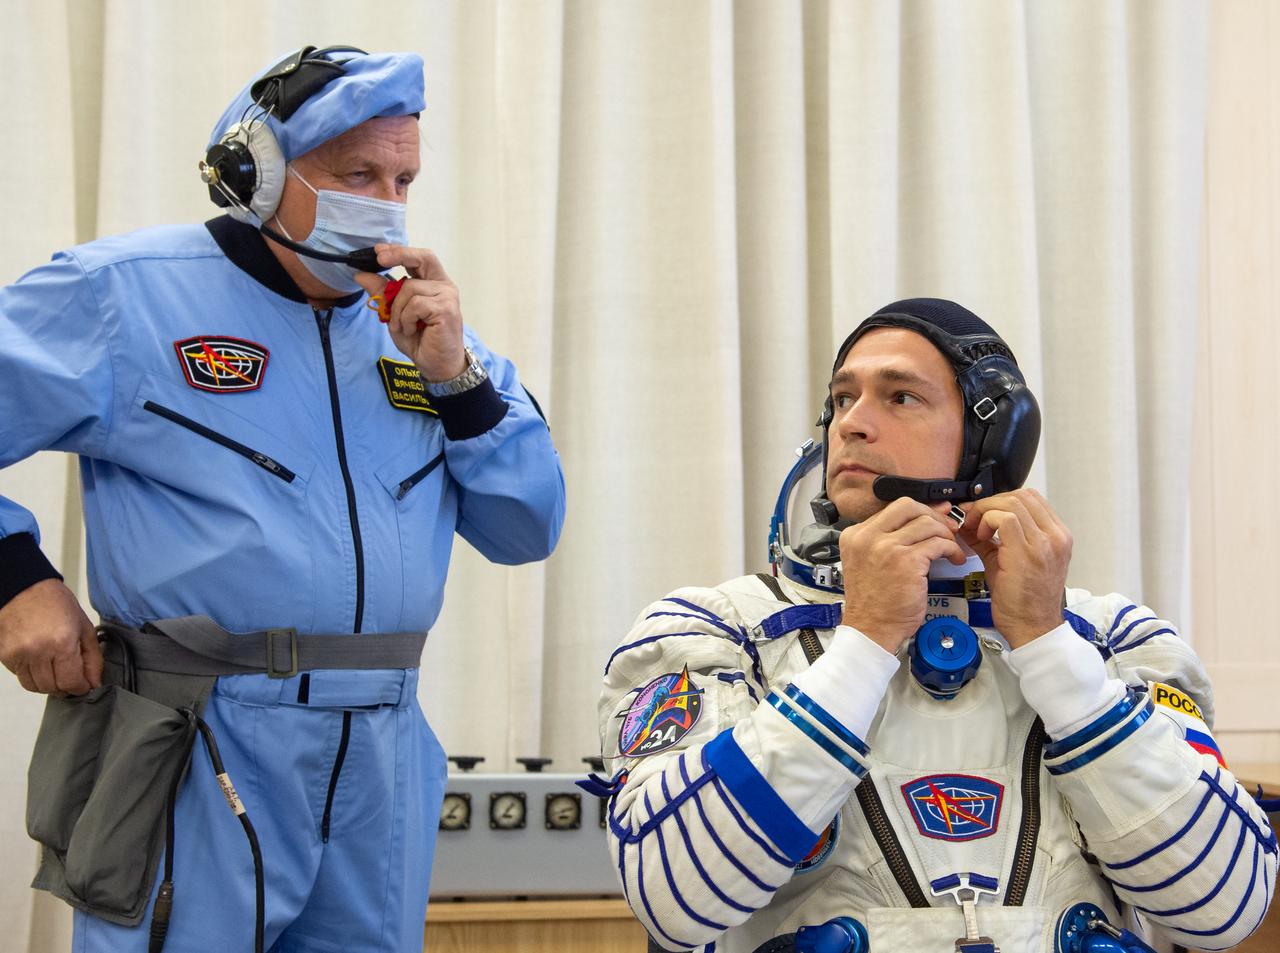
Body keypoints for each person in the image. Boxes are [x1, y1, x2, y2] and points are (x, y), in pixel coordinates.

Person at [0, 45, 564, 952]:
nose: (383, 204)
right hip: (195, 743)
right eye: (356, 174)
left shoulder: (424, 337)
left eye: (402, 179)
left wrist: (459, 382)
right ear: (255, 174)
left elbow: (527, 526)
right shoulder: (122, 297)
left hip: (381, 753)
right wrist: (15, 577)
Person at [590, 298, 1275, 952]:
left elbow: (1225, 905)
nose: (852, 423)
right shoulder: (718, 628)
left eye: (899, 396)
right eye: (841, 399)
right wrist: (863, 642)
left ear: (989, 439)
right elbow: (673, 894)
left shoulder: (1114, 641)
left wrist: (1047, 647)